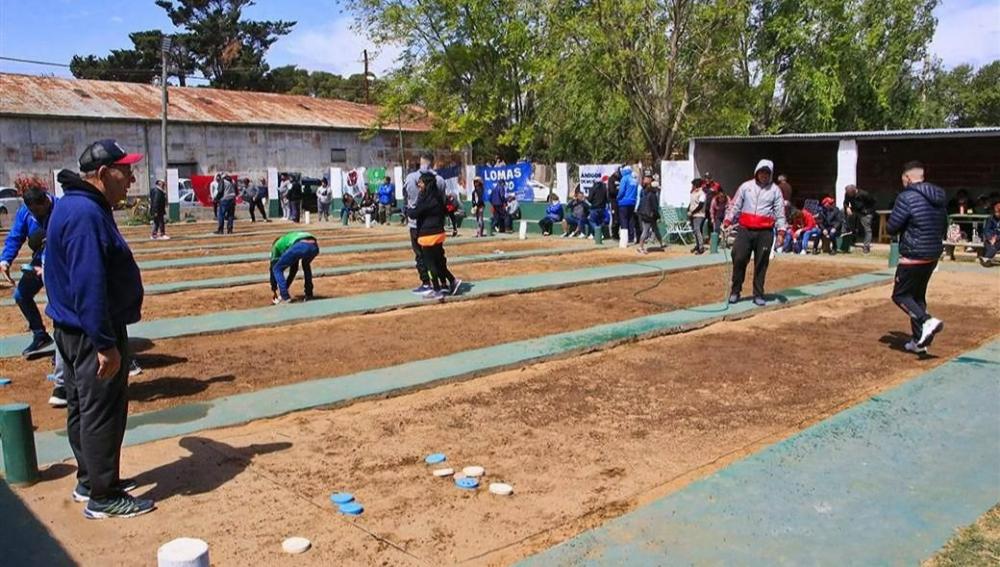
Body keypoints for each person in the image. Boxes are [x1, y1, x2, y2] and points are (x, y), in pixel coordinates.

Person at [47, 138, 152, 519]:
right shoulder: (86, 215)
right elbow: (88, 282)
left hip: (74, 330)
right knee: (102, 412)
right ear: (105, 173)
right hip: (93, 332)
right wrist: (105, 342)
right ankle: (103, 497)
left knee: (82, 407)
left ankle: (90, 480)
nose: (131, 177)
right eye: (126, 171)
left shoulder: (76, 205)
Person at [887, 161, 947, 354]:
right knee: (917, 297)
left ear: (907, 178)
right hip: (932, 254)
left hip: (914, 254)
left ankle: (926, 321)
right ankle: (918, 341)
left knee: (900, 295)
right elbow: (944, 223)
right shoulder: (939, 196)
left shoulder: (906, 197)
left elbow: (892, 227)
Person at [2, 182, 59, 356]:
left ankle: (64, 349)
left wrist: (50, 270)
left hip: (59, 260)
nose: (35, 214)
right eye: (31, 211)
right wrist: (5, 260)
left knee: (58, 301)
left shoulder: (61, 208)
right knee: (21, 295)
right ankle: (40, 334)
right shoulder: (25, 213)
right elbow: (15, 237)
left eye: (38, 211)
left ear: (45, 202)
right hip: (39, 258)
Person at [724, 159, 786, 306]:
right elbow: (735, 204)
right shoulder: (746, 187)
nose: (764, 175)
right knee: (738, 258)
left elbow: (780, 212)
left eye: (767, 173)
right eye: (761, 172)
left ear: (770, 175)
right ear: (756, 172)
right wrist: (728, 220)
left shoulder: (775, 190)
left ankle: (758, 294)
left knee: (761, 263)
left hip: (765, 232)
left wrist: (782, 232)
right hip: (745, 230)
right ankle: (735, 291)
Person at [409, 171, 461, 299]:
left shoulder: (425, 198)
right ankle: (452, 280)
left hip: (428, 235)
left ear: (426, 183)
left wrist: (407, 209)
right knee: (438, 262)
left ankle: (437, 290)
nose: (418, 184)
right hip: (439, 233)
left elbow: (414, 213)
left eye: (420, 182)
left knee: (430, 264)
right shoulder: (438, 197)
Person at [404, 153, 446, 294]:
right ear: (432, 163)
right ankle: (444, 282)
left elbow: (409, 199)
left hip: (417, 224)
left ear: (420, 162)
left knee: (420, 256)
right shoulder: (440, 180)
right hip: (435, 225)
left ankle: (427, 283)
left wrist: (409, 209)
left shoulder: (410, 178)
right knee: (438, 255)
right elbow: (442, 201)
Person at [270, 231, 319, 304]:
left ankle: (285, 297)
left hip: (300, 245)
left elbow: (273, 267)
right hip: (314, 246)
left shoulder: (276, 245)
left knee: (277, 269)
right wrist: (285, 287)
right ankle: (309, 294)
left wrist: (274, 288)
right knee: (306, 265)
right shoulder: (289, 239)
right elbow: (293, 270)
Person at [637, 171, 665, 254]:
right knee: (646, 230)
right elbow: (654, 207)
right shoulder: (652, 194)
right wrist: (658, 216)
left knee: (655, 229)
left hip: (645, 213)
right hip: (649, 215)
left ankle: (661, 243)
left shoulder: (645, 191)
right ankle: (640, 247)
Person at [844, 184, 876, 254]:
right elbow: (845, 202)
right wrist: (847, 207)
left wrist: (868, 211)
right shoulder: (847, 194)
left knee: (867, 229)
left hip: (865, 212)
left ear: (854, 191)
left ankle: (866, 246)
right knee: (850, 225)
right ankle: (851, 241)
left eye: (850, 194)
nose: (849, 195)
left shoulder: (864, 194)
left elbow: (873, 203)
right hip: (855, 211)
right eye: (848, 194)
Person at [617, 165, 639, 244]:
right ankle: (631, 238)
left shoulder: (624, 178)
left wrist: (618, 198)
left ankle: (624, 240)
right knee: (630, 220)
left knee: (624, 220)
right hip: (632, 202)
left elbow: (621, 191)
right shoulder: (634, 179)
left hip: (623, 202)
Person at [687, 178, 707, 254]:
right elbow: (691, 203)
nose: (692, 186)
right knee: (695, 231)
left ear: (696, 185)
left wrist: (692, 212)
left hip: (699, 214)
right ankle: (697, 245)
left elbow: (700, 205)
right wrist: (688, 209)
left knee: (697, 230)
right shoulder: (693, 192)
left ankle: (701, 247)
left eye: (693, 184)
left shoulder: (702, 193)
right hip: (693, 214)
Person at [980, 200, 1000, 266]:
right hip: (990, 239)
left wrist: (996, 238)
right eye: (995, 212)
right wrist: (990, 238)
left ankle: (985, 259)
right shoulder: (990, 218)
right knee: (991, 246)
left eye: (998, 212)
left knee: (994, 247)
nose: (996, 213)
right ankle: (987, 260)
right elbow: (986, 230)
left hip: (998, 240)